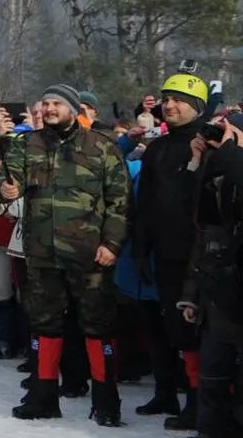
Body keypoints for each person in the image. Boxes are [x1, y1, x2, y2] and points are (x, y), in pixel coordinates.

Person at [0, 84, 130, 425]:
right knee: (44, 324)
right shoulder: (26, 144)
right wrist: (5, 187)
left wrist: (112, 244)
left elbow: (120, 201)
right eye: (46, 103)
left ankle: (106, 401)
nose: (50, 108)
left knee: (98, 326)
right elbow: (4, 177)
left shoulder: (102, 147)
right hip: (42, 254)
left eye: (57, 103)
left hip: (90, 255)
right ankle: (43, 397)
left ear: (74, 108)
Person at [128, 71, 211, 426]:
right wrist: (139, 248)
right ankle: (165, 394)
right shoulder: (157, 148)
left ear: (197, 107)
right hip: (160, 251)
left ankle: (196, 401)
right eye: (166, 98)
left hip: (196, 254)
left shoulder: (209, 144)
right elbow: (145, 202)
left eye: (178, 100)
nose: (170, 105)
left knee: (190, 330)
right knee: (161, 325)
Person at [176, 111, 243, 438]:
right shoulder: (221, 171)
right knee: (213, 376)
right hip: (218, 293)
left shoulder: (235, 165)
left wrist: (233, 152)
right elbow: (199, 229)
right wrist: (197, 159)